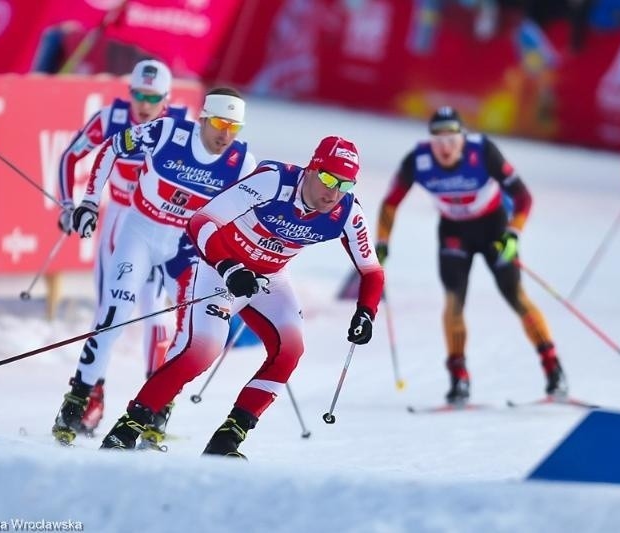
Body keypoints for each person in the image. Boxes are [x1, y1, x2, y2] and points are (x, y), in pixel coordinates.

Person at [98, 136, 385, 458]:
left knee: (290, 350)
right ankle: (127, 428)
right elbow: (200, 222)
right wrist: (229, 267)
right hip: (219, 268)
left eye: (345, 185)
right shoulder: (273, 181)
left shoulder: (347, 211)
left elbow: (372, 270)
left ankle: (227, 440)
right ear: (311, 168)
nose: (333, 193)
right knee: (203, 351)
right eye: (329, 179)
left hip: (270, 278)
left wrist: (366, 312)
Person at [52, 87, 258, 446]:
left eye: (235, 127)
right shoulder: (167, 132)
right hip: (142, 233)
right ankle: (76, 402)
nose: (226, 134)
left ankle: (156, 409)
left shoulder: (242, 163)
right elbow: (112, 149)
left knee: (185, 328)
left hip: (186, 247)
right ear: (205, 118)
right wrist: (88, 202)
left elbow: (252, 216)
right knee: (113, 316)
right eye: (221, 123)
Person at [375, 106, 568, 405]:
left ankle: (554, 369)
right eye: (438, 139)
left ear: (463, 138)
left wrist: (513, 234)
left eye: (452, 138)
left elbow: (523, 196)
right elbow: (390, 202)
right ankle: (459, 379)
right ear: (430, 141)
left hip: (494, 229)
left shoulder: (483, 151)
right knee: (453, 303)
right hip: (454, 232)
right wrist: (382, 242)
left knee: (516, 297)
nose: (445, 147)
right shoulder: (419, 160)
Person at [55, 59, 188, 436]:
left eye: (152, 97)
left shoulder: (180, 125)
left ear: (167, 97)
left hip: (160, 225)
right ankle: (89, 397)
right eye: (137, 95)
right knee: (108, 312)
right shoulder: (111, 119)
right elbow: (71, 156)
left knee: (155, 313)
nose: (143, 105)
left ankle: (154, 404)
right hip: (118, 221)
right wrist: (71, 205)